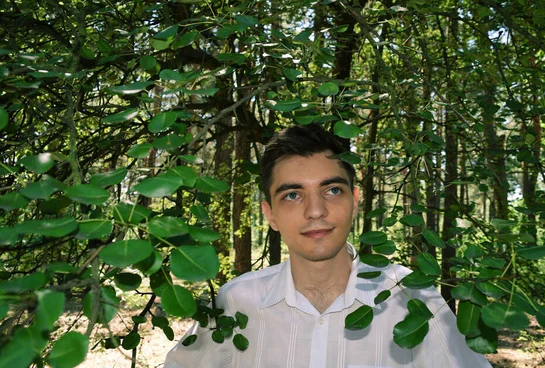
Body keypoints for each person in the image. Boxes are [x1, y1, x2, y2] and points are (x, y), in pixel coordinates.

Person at [164, 123, 491, 367]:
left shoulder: (411, 298)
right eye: (292, 195)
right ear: (270, 215)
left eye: (332, 190)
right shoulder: (236, 301)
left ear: (355, 200)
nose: (315, 210)